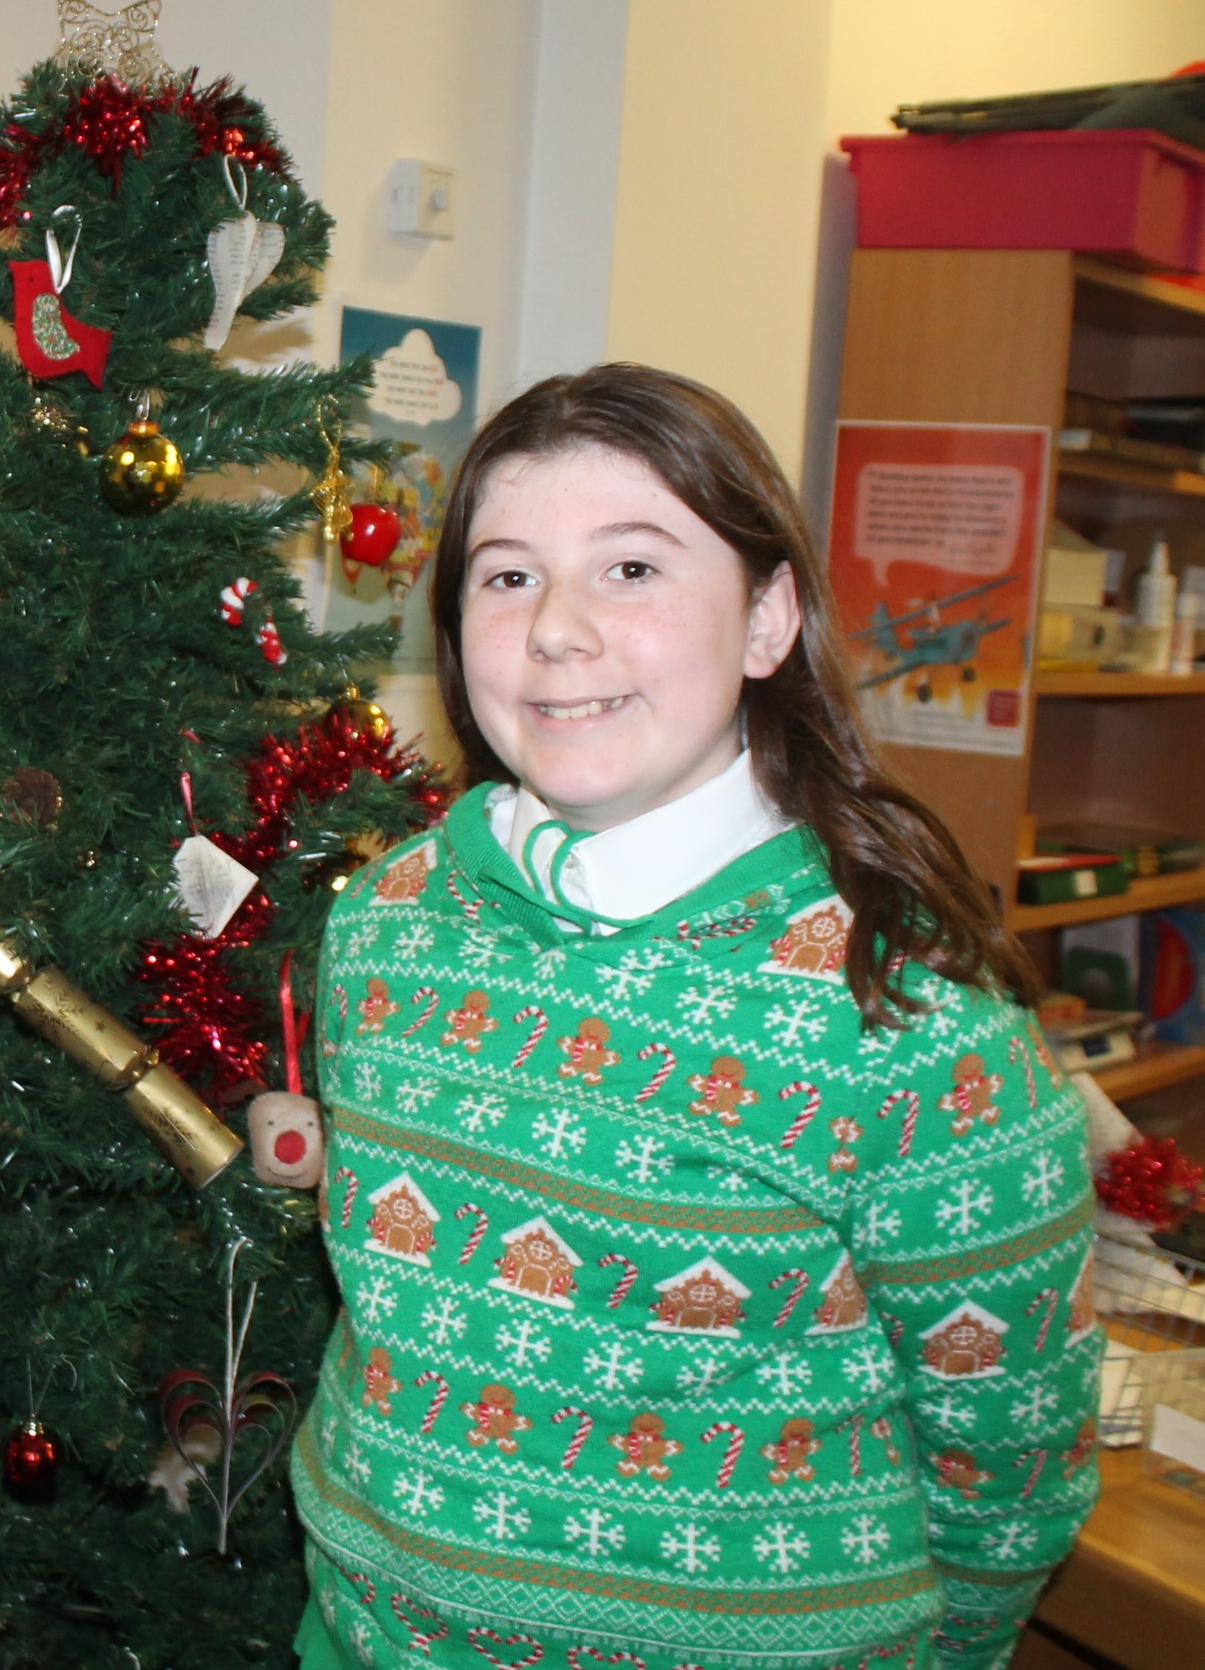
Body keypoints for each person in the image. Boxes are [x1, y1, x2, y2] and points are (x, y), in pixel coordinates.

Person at [294, 365, 1097, 1670]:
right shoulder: (389, 918)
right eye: (507, 575)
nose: (556, 630)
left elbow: (1010, 1464)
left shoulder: (910, 1021)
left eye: (632, 568)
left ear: (768, 616)